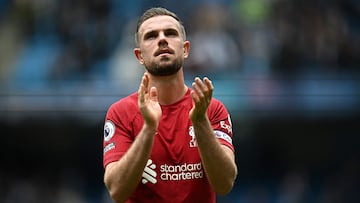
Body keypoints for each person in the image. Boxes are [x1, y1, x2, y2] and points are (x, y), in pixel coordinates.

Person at [102, 7, 237, 203]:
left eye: (170, 33)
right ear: (139, 56)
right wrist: (148, 129)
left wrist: (200, 121)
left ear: (186, 49)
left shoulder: (211, 109)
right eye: (151, 36)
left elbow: (224, 184)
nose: (162, 39)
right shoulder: (121, 113)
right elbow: (116, 191)